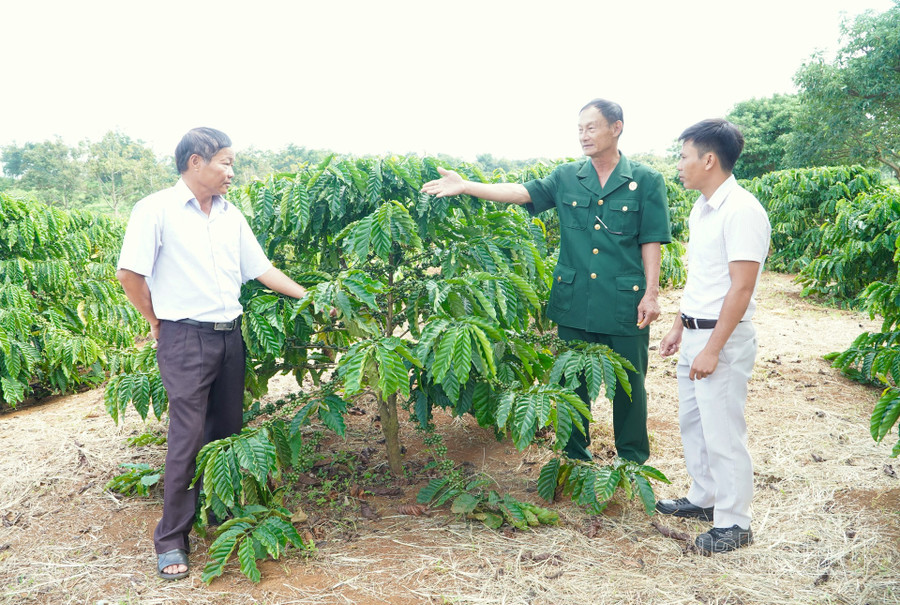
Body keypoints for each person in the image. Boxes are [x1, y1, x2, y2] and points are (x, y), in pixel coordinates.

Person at [421, 99, 671, 464]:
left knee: (629, 387)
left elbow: (651, 240)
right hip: (574, 302)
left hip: (623, 302)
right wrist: (467, 186)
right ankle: (574, 457)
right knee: (572, 384)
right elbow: (520, 192)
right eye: (580, 128)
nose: (583, 135)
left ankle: (631, 463)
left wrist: (651, 294)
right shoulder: (568, 176)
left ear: (616, 128)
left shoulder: (646, 181)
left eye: (591, 127)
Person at [116, 128, 309, 580]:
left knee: (226, 432)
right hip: (184, 338)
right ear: (196, 162)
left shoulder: (229, 215)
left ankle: (220, 516)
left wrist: (311, 297)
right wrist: (155, 320)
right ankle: (171, 540)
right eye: (225, 162)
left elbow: (261, 270)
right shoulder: (156, 210)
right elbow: (130, 275)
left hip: (229, 337)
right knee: (188, 437)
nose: (231, 172)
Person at [655, 119, 771, 554]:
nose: (679, 165)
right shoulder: (702, 208)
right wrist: (678, 326)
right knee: (694, 424)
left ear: (708, 159)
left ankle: (735, 523)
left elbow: (741, 288)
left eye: (684, 156)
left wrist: (713, 348)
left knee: (723, 431)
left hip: (721, 340)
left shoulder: (742, 210)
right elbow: (702, 279)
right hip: (695, 335)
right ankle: (705, 498)